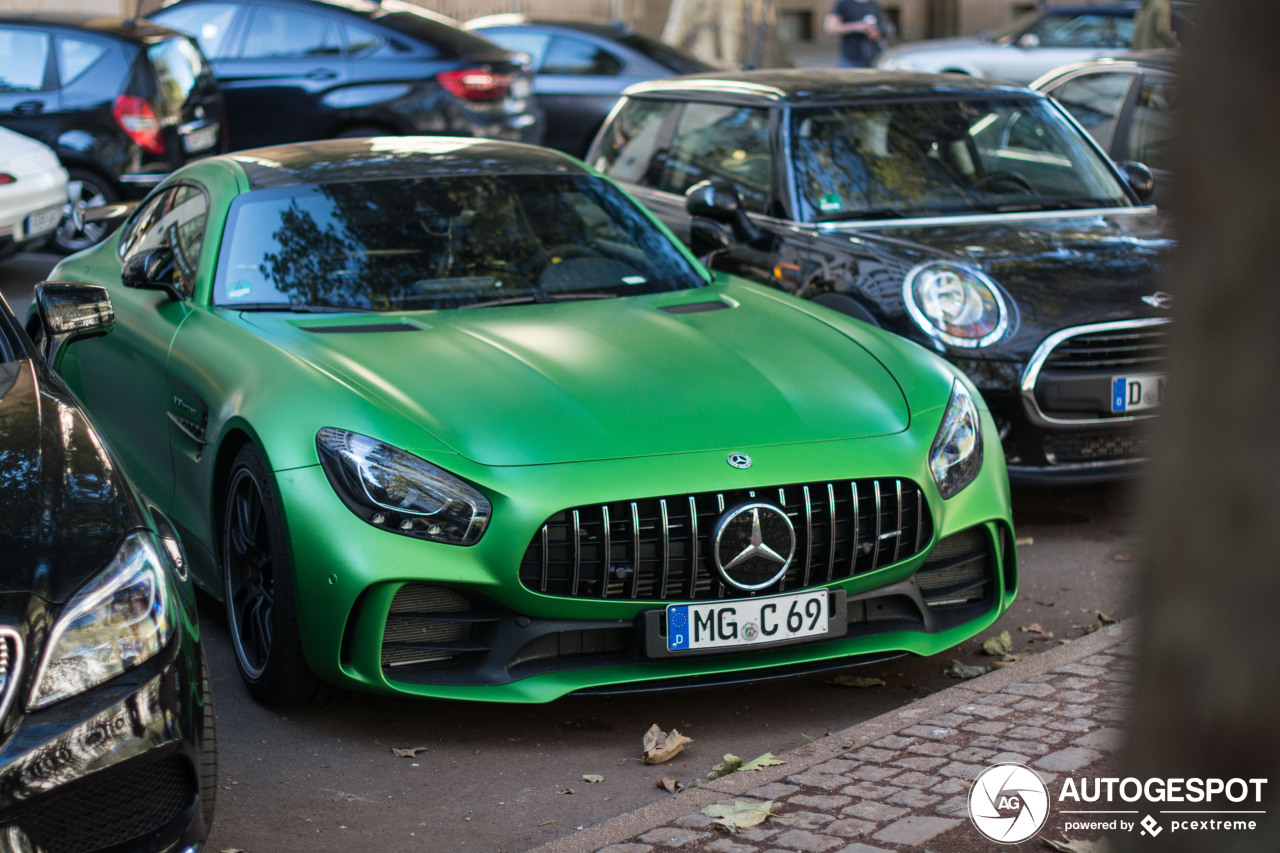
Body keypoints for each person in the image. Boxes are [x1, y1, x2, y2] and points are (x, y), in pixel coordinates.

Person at [824, 0, 886, 68]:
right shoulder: (844, 3)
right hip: (850, 60)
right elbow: (830, 28)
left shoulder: (873, 4)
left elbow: (881, 26)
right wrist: (856, 26)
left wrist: (876, 33)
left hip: (873, 59)